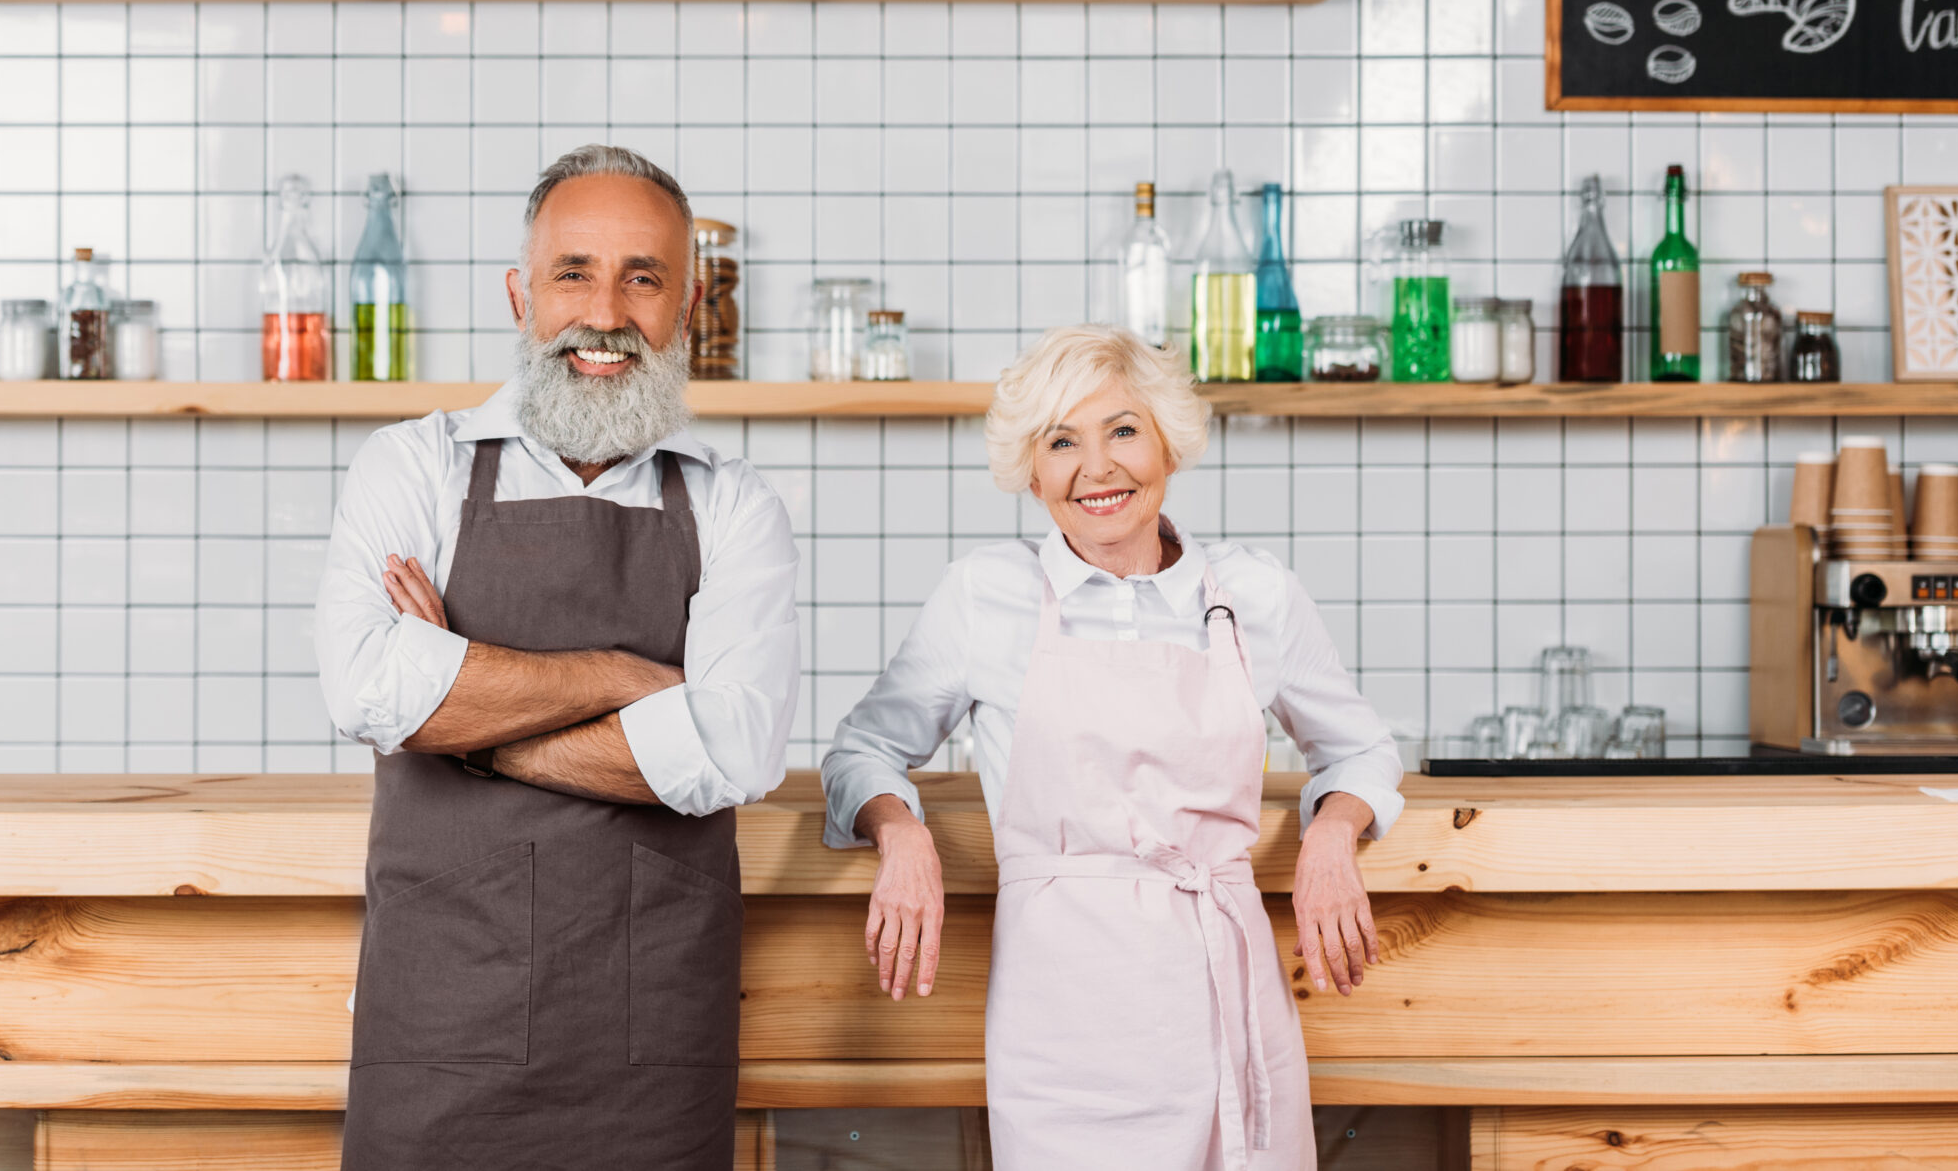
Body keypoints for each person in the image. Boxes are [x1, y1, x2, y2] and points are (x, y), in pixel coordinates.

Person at [314, 144, 801, 1171]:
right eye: (573, 270)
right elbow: (369, 687)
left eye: (643, 276)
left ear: (687, 302)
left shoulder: (733, 502)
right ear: (519, 295)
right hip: (442, 1010)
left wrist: (467, 714)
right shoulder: (414, 464)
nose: (605, 311)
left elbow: (729, 751)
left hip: (652, 1026)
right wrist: (627, 679)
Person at [820, 324, 1401, 1170]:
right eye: (1062, 441)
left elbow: (1360, 752)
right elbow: (861, 750)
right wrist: (900, 832)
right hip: (1065, 1029)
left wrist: (1331, 834)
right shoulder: (986, 595)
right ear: (1031, 469)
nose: (1097, 468)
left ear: (1168, 441)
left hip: (1226, 1006)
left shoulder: (1256, 594)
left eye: (1122, 430)